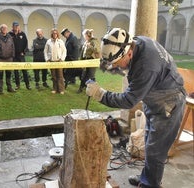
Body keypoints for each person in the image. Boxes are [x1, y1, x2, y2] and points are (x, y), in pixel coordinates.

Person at [86, 28, 186, 188]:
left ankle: (151, 185)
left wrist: (100, 94)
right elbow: (127, 68)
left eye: (117, 63)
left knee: (156, 150)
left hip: (169, 103)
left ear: (129, 54)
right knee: (149, 143)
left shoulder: (146, 67)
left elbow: (128, 100)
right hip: (157, 96)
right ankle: (147, 178)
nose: (117, 67)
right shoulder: (136, 42)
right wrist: (115, 64)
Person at [0, 24, 15, 95]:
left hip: (9, 59)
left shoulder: (10, 37)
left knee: (8, 74)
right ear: (0, 29)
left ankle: (9, 88)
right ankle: (0, 90)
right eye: (3, 28)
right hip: (0, 59)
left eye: (6, 28)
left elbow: (13, 47)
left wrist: (12, 56)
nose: (5, 29)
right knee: (0, 75)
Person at [9, 21, 31, 90]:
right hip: (14, 56)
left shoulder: (22, 34)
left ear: (19, 27)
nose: (16, 27)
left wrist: (24, 52)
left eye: (17, 26)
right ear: (12, 27)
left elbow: (26, 44)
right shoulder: (9, 34)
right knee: (16, 71)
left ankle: (28, 85)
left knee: (24, 70)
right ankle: (17, 85)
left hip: (21, 55)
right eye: (15, 26)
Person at [44, 28, 67, 94]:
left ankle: (61, 89)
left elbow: (64, 51)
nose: (55, 34)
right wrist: (47, 59)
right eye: (53, 33)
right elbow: (45, 51)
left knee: (60, 76)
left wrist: (62, 59)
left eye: (56, 33)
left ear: (57, 34)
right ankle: (55, 89)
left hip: (59, 61)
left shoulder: (60, 41)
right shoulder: (48, 41)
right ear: (52, 34)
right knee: (54, 76)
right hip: (51, 61)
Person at [77, 29, 100, 93]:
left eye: (84, 35)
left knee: (91, 76)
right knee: (83, 75)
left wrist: (90, 47)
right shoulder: (86, 41)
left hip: (92, 60)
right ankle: (81, 88)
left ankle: (93, 90)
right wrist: (81, 60)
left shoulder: (94, 41)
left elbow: (97, 51)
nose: (84, 36)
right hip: (86, 60)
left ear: (87, 35)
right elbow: (83, 52)